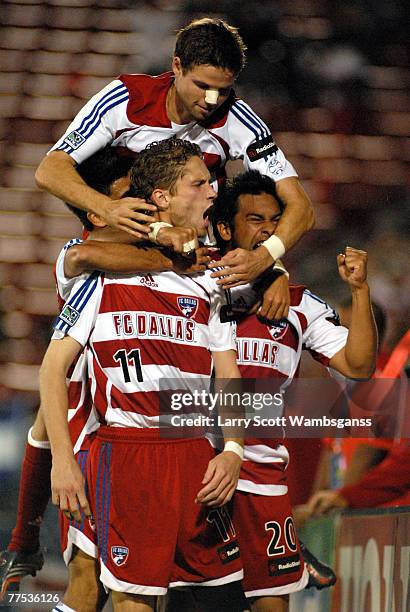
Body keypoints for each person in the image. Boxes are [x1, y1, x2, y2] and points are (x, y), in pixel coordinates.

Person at [40, 139, 247, 612]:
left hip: (196, 452)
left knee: (220, 602)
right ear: (162, 199)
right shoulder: (100, 274)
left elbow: (229, 374)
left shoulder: (211, 281)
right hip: (127, 451)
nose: (212, 191)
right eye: (198, 184)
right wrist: (63, 462)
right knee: (121, 598)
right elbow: (52, 370)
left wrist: (232, 449)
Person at [0, 145, 210, 605]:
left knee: (137, 585)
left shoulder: (179, 266)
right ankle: (22, 538)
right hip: (90, 432)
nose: (141, 211)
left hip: (142, 436)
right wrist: (173, 255)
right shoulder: (82, 259)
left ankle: (22, 539)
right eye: (125, 202)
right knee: (88, 584)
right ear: (98, 213)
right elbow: (52, 371)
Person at [35, 17, 314, 288]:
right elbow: (50, 169)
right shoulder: (127, 100)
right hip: (123, 255)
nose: (211, 101)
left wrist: (267, 259)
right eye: (202, 86)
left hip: (196, 263)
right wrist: (106, 207)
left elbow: (301, 207)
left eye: (223, 89)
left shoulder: (239, 120)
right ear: (177, 66)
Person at [208, 170, 377, 612]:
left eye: (274, 220)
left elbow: (359, 365)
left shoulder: (302, 305)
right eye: (254, 219)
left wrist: (359, 292)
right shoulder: (197, 288)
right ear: (225, 228)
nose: (267, 229)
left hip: (264, 478)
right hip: (202, 472)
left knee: (271, 606)